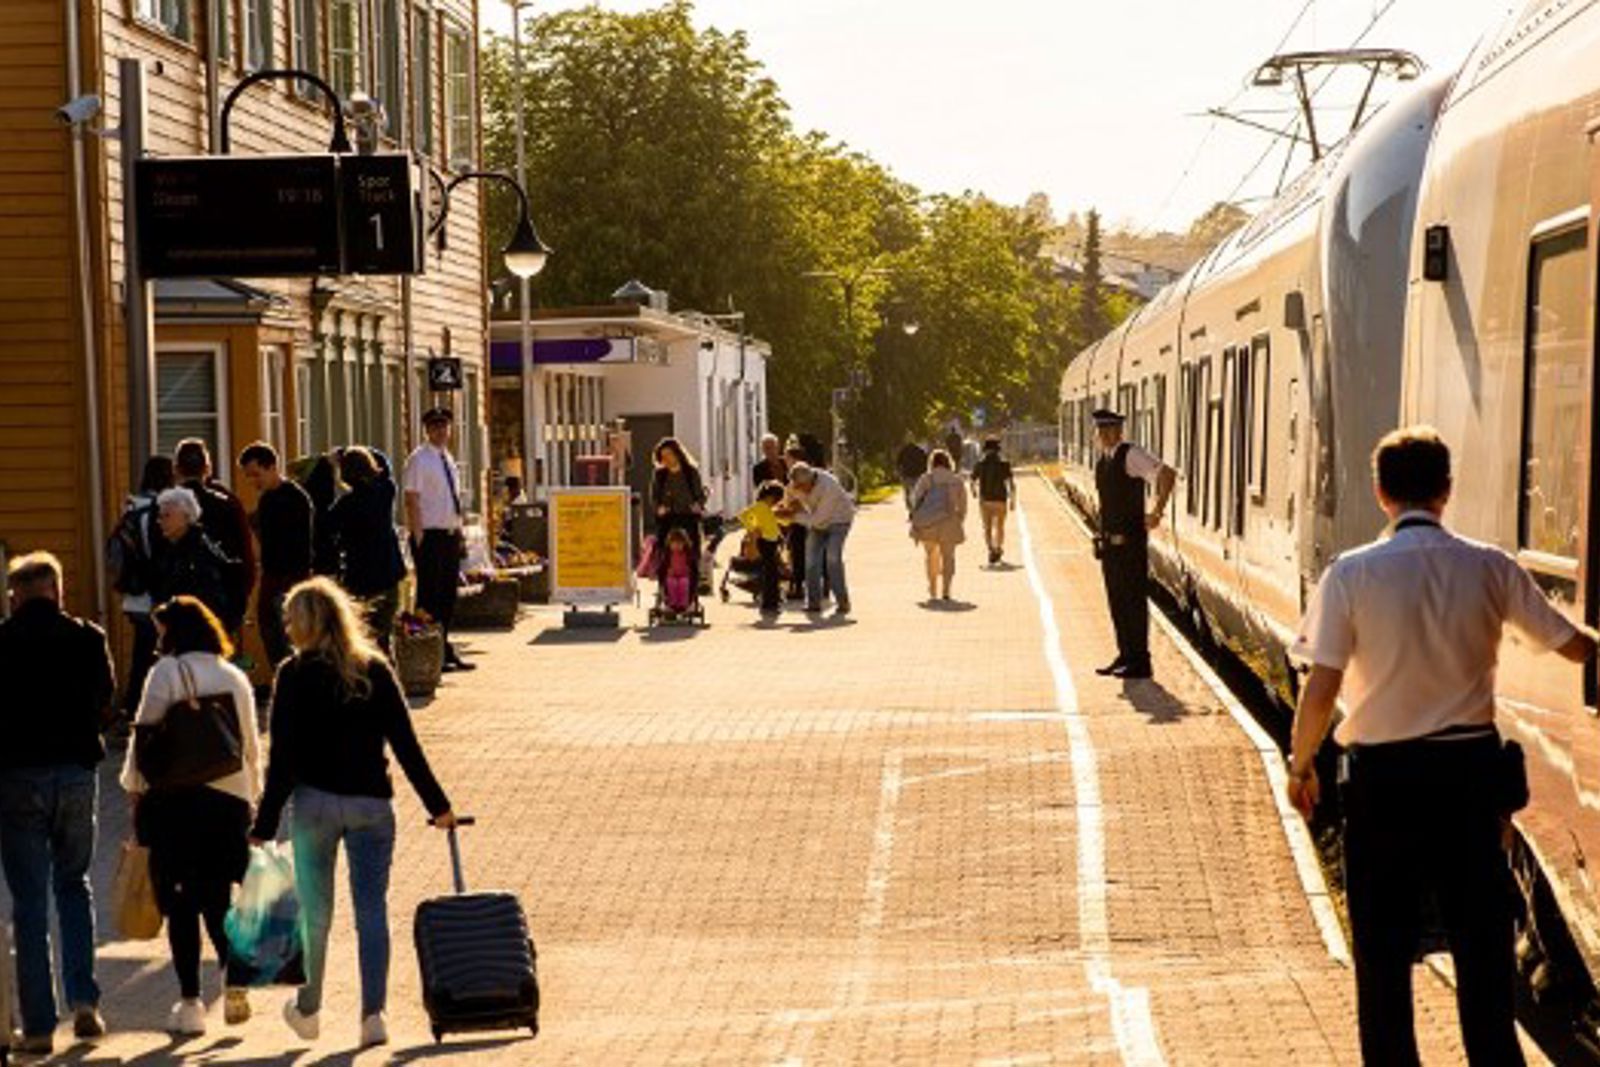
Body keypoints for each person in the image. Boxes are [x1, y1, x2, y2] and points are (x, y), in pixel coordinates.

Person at [1286, 427, 1598, 1065]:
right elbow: (1573, 645)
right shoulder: (1489, 566)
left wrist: (1301, 766)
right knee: (1482, 945)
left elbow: (1321, 687)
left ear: (1380, 494)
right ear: (1447, 491)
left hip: (1382, 784)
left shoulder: (1350, 575)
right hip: (1469, 780)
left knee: (1381, 951)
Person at [249, 578, 458, 1049]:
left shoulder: (293, 675)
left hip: (314, 805)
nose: (285, 626)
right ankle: (373, 1016)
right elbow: (407, 746)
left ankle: (309, 1009)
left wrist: (263, 825)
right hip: (370, 804)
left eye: (290, 619)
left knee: (316, 914)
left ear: (304, 624)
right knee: (371, 911)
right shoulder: (375, 669)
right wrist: (438, 805)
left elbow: (281, 760)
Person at [121, 596, 261, 1037]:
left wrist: (134, 789)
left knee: (180, 904)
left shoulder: (165, 673)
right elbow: (252, 747)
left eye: (162, 631)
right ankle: (232, 973)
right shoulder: (234, 675)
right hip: (228, 803)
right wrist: (251, 800)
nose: (158, 639)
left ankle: (190, 1004)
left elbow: (142, 739)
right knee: (218, 898)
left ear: (174, 632)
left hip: (176, 805)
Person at [0, 553, 114, 1054]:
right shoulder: (88, 638)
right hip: (76, 773)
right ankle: (85, 999)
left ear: (14, 595)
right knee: (74, 884)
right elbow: (106, 700)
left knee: (28, 901)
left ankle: (41, 1025)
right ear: (58, 592)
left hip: (17, 776)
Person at [1090, 408, 1175, 680]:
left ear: (1120, 431)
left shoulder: (1131, 454)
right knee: (1117, 601)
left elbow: (1167, 474)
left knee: (1133, 601)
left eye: (1110, 430)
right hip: (1110, 545)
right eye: (1101, 431)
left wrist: (1157, 510)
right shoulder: (1104, 460)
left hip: (1130, 544)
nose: (1105, 435)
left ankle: (1141, 661)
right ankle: (1126, 654)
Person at [403, 408, 473, 672]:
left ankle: (443, 647)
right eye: (435, 427)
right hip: (430, 535)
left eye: (444, 427)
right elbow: (412, 498)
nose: (441, 432)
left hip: (449, 534)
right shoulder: (419, 460)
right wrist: (418, 534)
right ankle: (427, 650)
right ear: (427, 430)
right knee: (429, 595)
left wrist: (459, 529)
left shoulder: (447, 458)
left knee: (447, 595)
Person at [239, 442, 313, 670]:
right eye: (248, 476)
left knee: (288, 638)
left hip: (291, 578)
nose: (253, 481)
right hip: (272, 576)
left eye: (256, 474)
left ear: (272, 467)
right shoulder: (268, 500)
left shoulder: (294, 498)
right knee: (271, 635)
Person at [330, 447, 408, 653]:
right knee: (384, 638)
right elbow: (386, 467)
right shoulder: (386, 491)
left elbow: (326, 525)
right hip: (388, 572)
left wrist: (330, 464)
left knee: (362, 640)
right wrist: (348, 451)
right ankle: (388, 679)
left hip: (360, 578)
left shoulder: (346, 505)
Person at [117, 456, 176, 721]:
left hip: (134, 596)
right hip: (155, 596)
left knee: (141, 655)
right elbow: (160, 557)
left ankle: (133, 707)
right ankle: (149, 711)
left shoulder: (131, 508)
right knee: (159, 655)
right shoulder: (158, 510)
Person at [174, 438, 256, 626]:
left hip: (178, 600)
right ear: (207, 469)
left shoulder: (167, 507)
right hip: (221, 599)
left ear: (176, 469)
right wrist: (242, 593)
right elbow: (243, 550)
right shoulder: (227, 504)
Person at [151, 486, 244, 633]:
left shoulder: (199, 550)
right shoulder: (174, 548)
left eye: (167, 516)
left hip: (198, 634)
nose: (160, 521)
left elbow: (210, 597)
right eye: (160, 516)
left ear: (187, 517)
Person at [787, 462, 855, 617]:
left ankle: (842, 601)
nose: (799, 491)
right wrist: (787, 507)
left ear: (810, 482)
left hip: (839, 521)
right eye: (796, 486)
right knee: (811, 560)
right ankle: (813, 603)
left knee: (832, 558)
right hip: (816, 520)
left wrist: (793, 517)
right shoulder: (796, 484)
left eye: (801, 487)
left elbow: (818, 520)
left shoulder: (828, 486)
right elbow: (789, 499)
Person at [909, 450, 968, 601]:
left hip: (928, 524)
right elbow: (963, 506)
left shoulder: (926, 479)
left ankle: (932, 588)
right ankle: (946, 590)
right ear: (949, 463)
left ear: (932, 463)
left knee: (930, 556)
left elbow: (915, 500)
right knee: (948, 557)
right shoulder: (957, 480)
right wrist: (959, 520)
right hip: (949, 522)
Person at [650, 437, 707, 592]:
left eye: (669, 454)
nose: (666, 459)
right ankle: (665, 591)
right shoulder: (660, 474)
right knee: (664, 554)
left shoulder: (690, 472)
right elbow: (654, 497)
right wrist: (659, 508)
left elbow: (700, 495)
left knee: (692, 555)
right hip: (668, 519)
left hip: (688, 517)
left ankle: (691, 592)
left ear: (678, 454)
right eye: (663, 456)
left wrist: (698, 505)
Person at [739, 480, 788, 617]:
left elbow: (778, 523)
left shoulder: (769, 509)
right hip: (764, 542)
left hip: (773, 542)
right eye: (775, 499)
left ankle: (773, 600)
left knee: (772, 571)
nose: (776, 502)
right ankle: (769, 602)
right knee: (770, 572)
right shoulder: (760, 506)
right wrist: (753, 529)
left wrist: (788, 516)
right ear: (770, 497)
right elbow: (743, 516)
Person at [972, 437, 1017, 564]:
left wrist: (974, 492)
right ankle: (998, 548)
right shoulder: (1004, 464)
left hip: (985, 500)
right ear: (998, 450)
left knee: (987, 528)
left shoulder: (979, 464)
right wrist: (1013, 499)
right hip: (1001, 500)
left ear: (985, 450)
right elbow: (1011, 483)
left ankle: (991, 549)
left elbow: (972, 481)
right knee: (1000, 526)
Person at [782, 441, 811, 601]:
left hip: (803, 523)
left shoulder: (800, 477)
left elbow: (797, 504)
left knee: (799, 553)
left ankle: (799, 585)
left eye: (787, 458)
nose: (785, 461)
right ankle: (798, 583)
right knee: (796, 553)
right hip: (796, 521)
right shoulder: (793, 479)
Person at [662, 527, 696, 614]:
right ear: (670, 544)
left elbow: (692, 566)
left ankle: (683, 604)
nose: (676, 546)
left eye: (679, 543)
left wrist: (690, 571)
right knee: (671, 583)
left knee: (684, 583)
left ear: (684, 544)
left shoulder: (687, 554)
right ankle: (672, 603)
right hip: (671, 575)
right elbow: (663, 567)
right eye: (674, 544)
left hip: (684, 575)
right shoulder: (668, 555)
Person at [895, 436, 929, 513]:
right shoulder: (920, 451)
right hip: (918, 475)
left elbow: (898, 463)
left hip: (907, 475)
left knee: (908, 494)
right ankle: (917, 509)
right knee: (918, 493)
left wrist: (899, 472)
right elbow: (926, 463)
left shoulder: (903, 451)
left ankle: (911, 510)